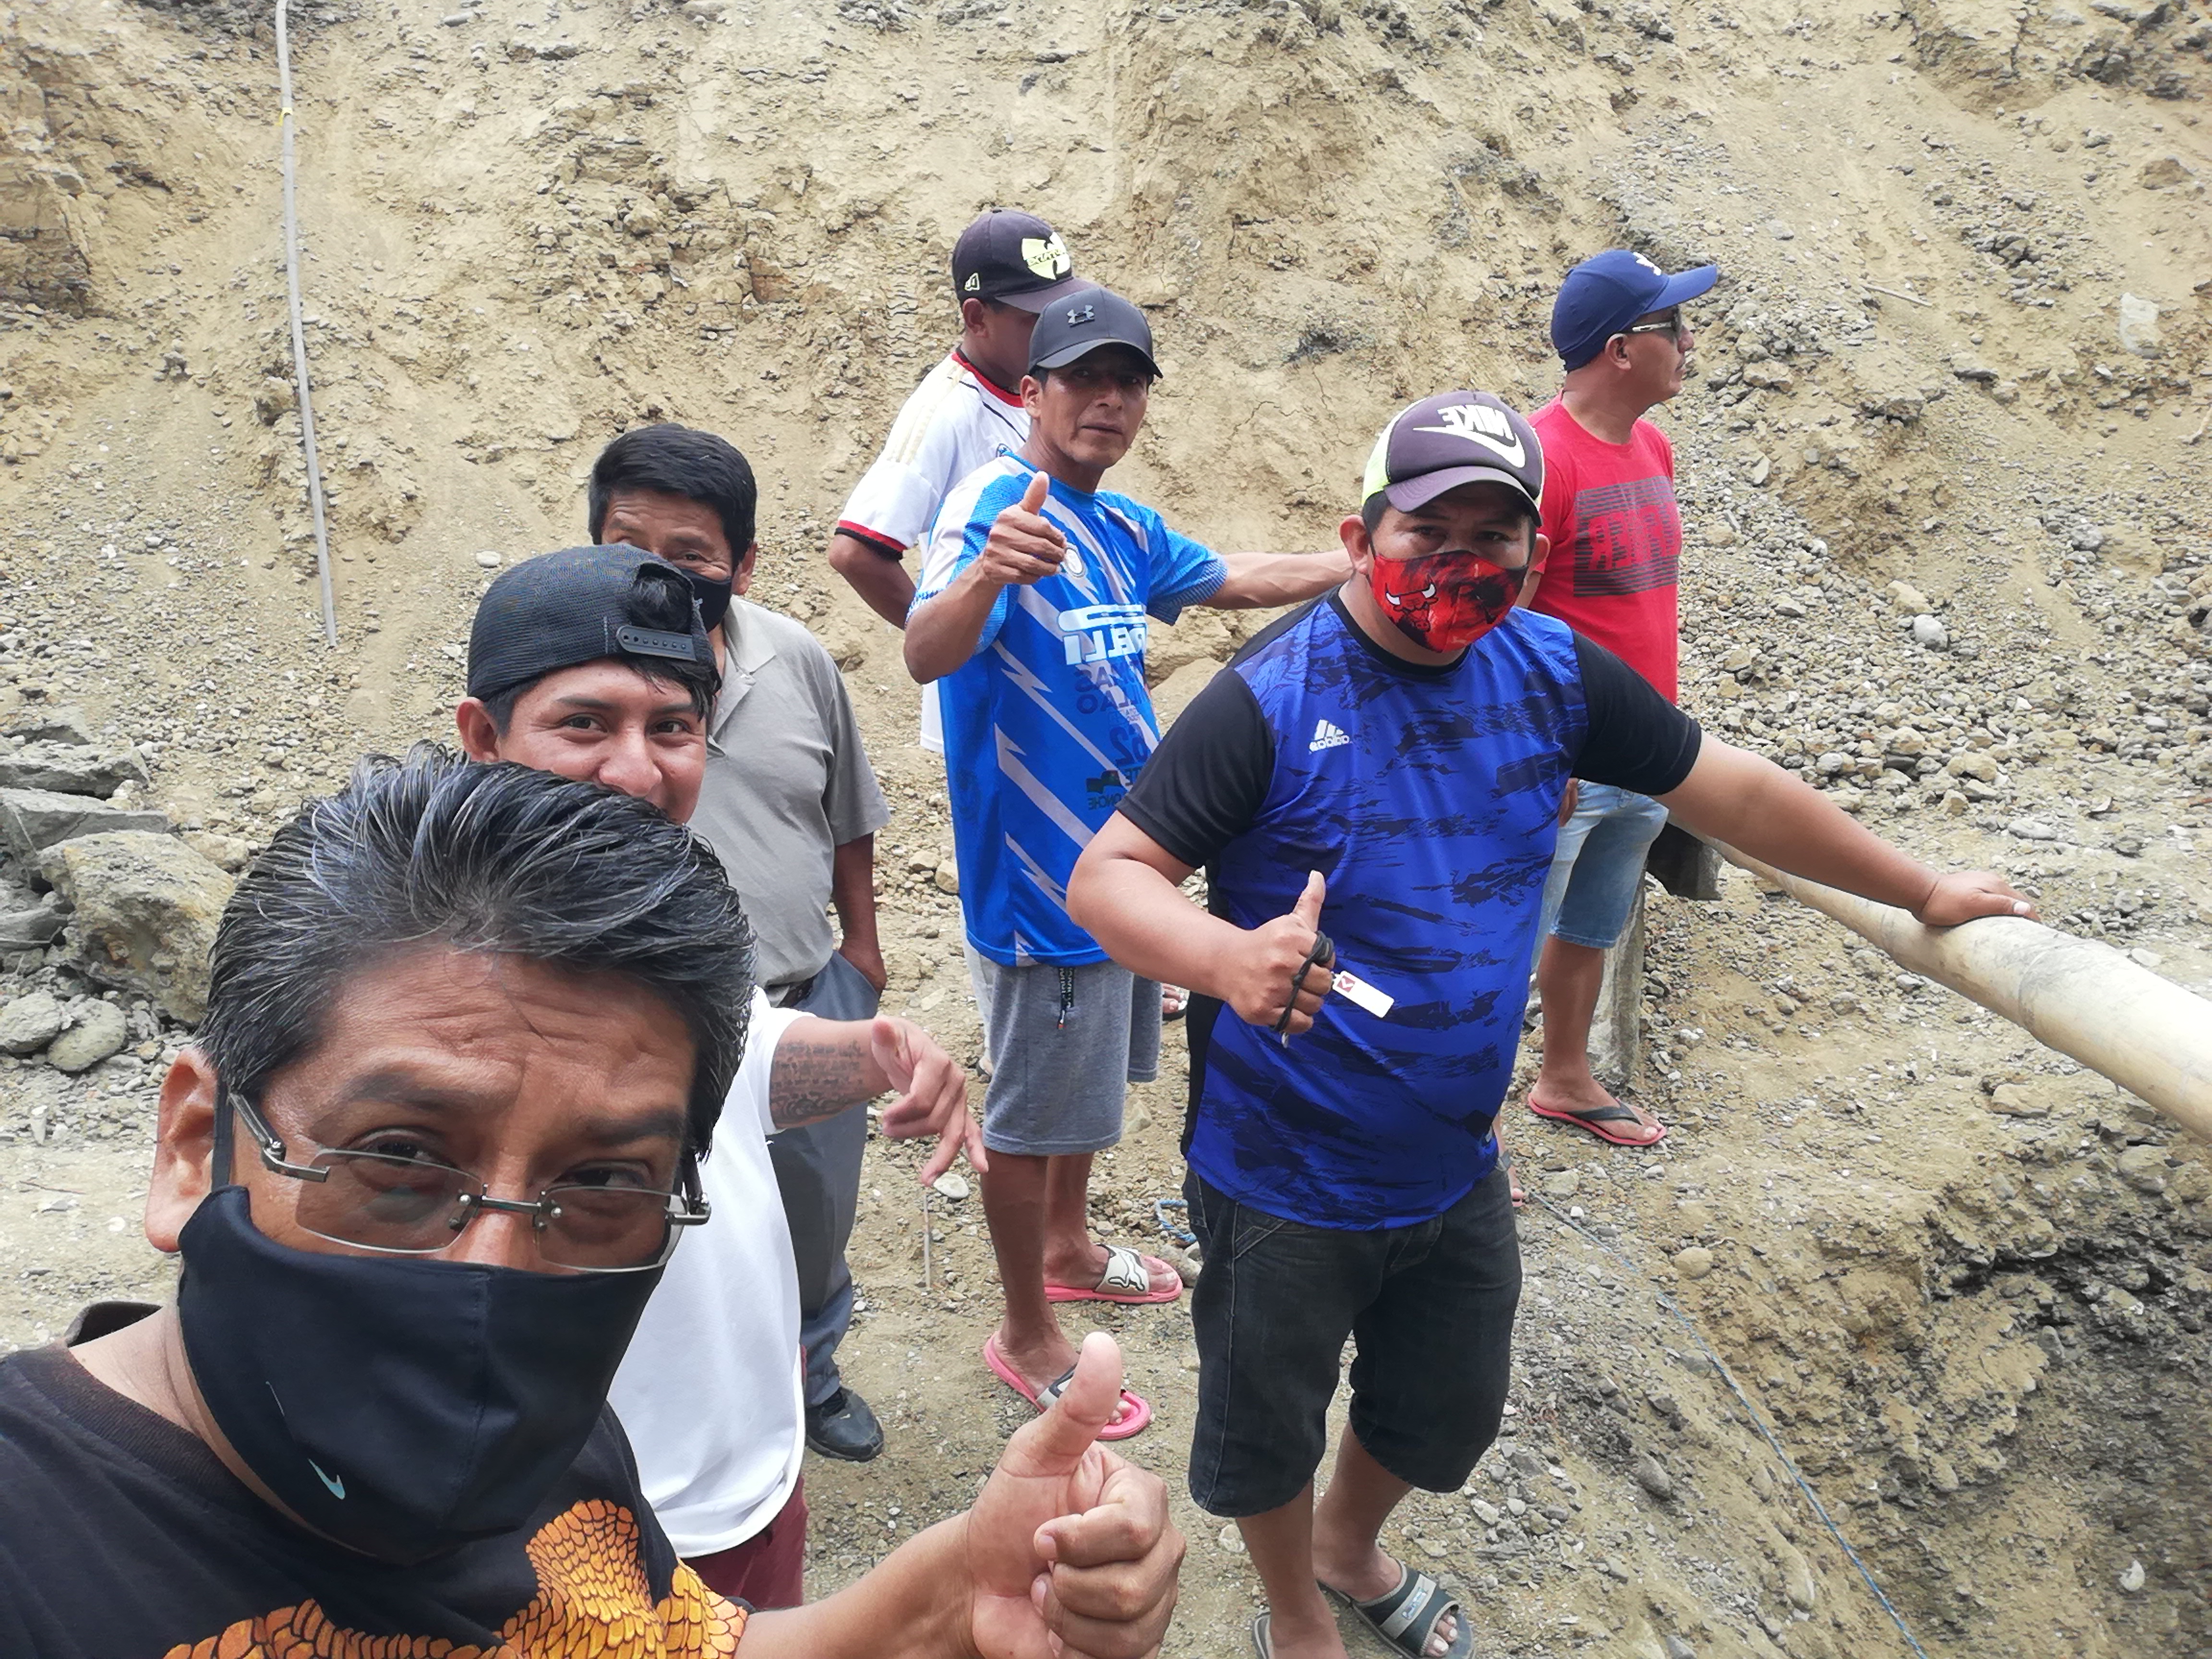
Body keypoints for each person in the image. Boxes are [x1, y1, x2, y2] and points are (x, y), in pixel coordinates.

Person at [1064, 390, 2034, 1659]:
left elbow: (1731, 789)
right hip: (1282, 1171)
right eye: (1430, 531)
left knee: (1448, 1408)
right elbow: (1109, 877)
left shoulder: (1553, 671)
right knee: (1267, 1430)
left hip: (1455, 1162)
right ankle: (1296, 1613)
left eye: (1496, 534)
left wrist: (1919, 889)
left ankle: (1348, 1548)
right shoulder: (1269, 695)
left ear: (1533, 553)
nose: (1464, 560)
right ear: (1361, 540)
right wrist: (1227, 958)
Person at [0, 748, 1184, 1659]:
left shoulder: (548, 1428)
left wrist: (944, 1602)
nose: (497, 1267)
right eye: (402, 1156)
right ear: (193, 1145)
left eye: (604, 1181)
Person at [456, 545, 978, 1606]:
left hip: (751, 1476)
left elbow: (738, 1058)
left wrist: (872, 1052)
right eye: (584, 724)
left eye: (672, 728)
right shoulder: (421, 972)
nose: (638, 772)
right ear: (481, 737)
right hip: (572, 1523)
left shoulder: (664, 914)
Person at [904, 284, 1351, 1437]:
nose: (1107, 400)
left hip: (1121, 874)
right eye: (1083, 379)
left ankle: (1066, 1245)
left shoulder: (1123, 527)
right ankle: (1024, 1332)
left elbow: (1231, 576)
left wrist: (1353, 563)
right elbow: (924, 651)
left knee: (1090, 1082)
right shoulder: (995, 506)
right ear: (1034, 391)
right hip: (1037, 883)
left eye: (1128, 381)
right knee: (1031, 1109)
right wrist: (986, 576)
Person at [588, 424, 895, 1465]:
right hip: (638, 1022)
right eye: (628, 547)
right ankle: (637, 1413)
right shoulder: (577, 682)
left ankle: (811, 1378)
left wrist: (861, 953)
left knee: (814, 1211)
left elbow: (847, 813)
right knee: (641, 1223)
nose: (657, 576)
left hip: (805, 999)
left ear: (742, 565)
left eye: (690, 556)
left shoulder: (794, 660)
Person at [1518, 248, 1718, 1149]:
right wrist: (1539, 753)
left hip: (1644, 748)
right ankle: (1458, 1133)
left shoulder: (1653, 447)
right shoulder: (1538, 462)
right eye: (1672, 326)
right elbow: (1504, 626)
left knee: (1591, 926)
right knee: (1505, 946)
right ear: (1620, 349)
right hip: (1563, 761)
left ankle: (1564, 1077)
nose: (1689, 342)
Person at [826, 207, 1083, 636]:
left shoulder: (1036, 389)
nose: (1056, 332)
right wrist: (955, 641)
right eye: (1036, 319)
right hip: (1002, 674)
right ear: (977, 317)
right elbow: (855, 553)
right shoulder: (945, 412)